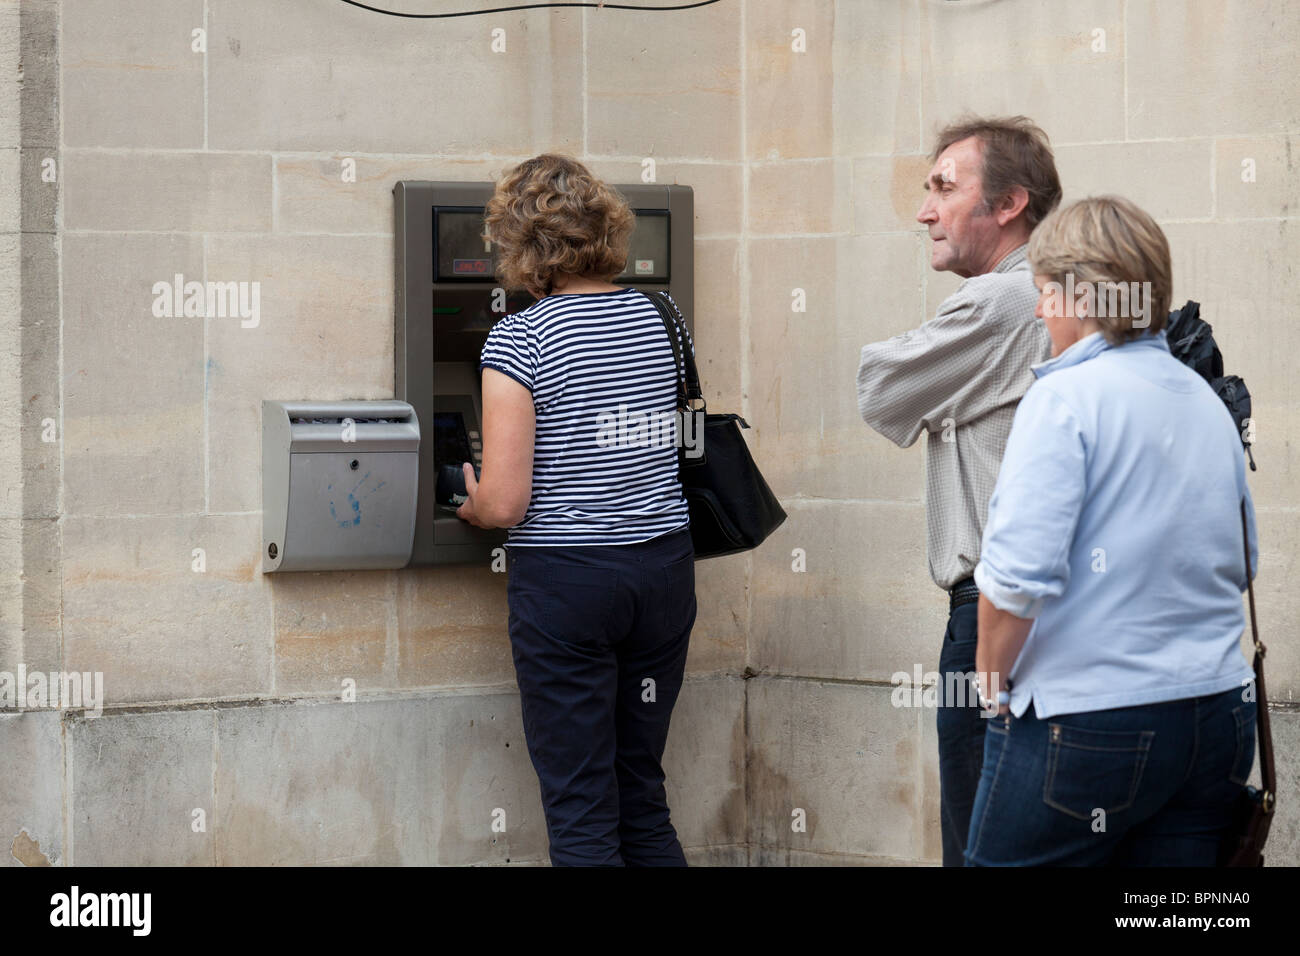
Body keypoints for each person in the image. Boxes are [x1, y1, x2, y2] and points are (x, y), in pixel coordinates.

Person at [966, 195, 1259, 866]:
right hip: (1214, 715)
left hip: (1088, 723)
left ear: (1083, 294)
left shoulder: (1063, 398)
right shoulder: (1207, 402)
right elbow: (1243, 562)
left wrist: (990, 692)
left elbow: (1013, 582)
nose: (1040, 311)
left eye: (1045, 292)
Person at [456, 153, 697, 866]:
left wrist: (469, 507)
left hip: (569, 583)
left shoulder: (520, 338)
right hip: (662, 571)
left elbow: (504, 499)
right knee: (641, 792)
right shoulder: (663, 314)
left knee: (582, 806)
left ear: (521, 244)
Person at [856, 116, 1062, 865]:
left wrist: (939, 392)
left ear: (1009, 203)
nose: (925, 210)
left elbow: (880, 389)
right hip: (1059, 613)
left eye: (945, 188)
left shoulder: (999, 302)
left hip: (991, 616)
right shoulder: (1063, 292)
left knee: (980, 846)